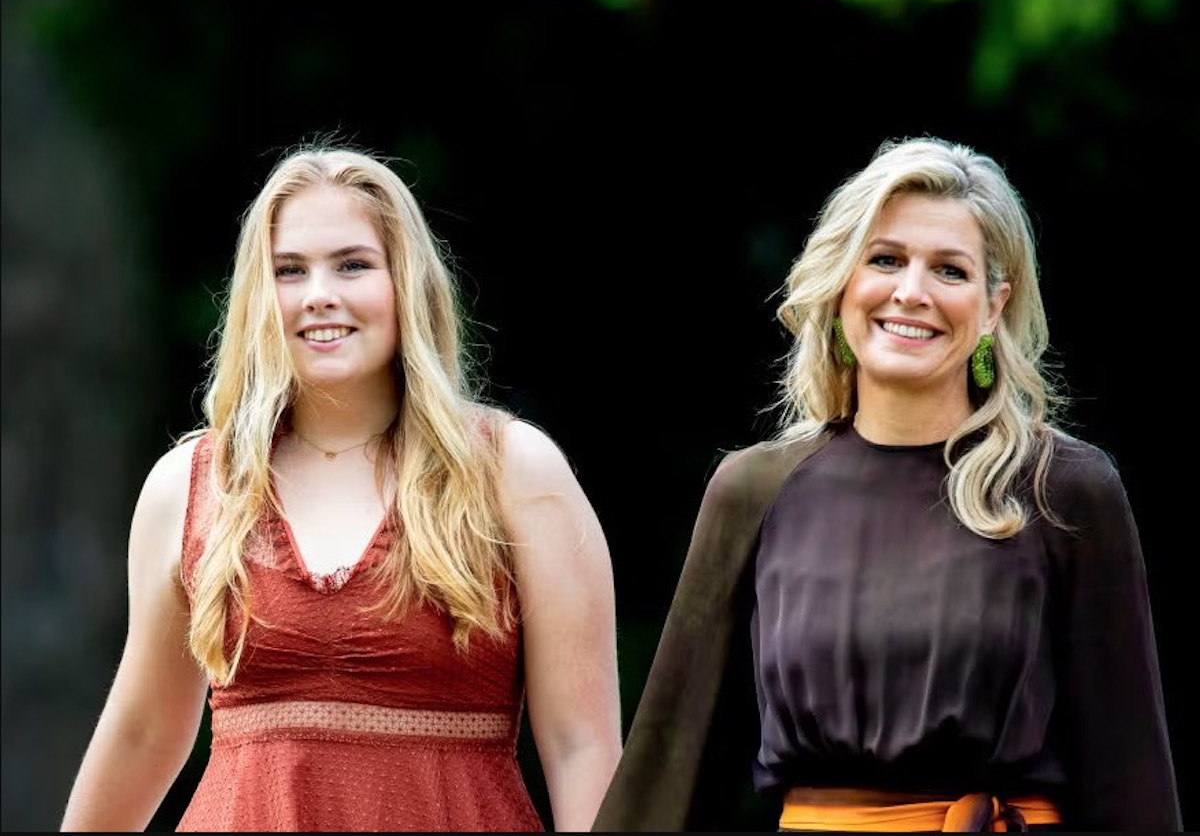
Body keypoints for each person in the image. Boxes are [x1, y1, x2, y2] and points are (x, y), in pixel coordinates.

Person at [593, 136, 1180, 832]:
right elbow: (669, 767)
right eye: (886, 259)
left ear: (994, 306)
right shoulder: (752, 490)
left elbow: (1130, 777)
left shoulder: (1066, 490)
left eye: (949, 271)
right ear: (843, 282)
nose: (912, 292)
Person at [60, 141, 622, 832]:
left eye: (353, 264)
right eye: (289, 270)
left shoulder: (516, 472)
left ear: (406, 283)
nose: (319, 293)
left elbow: (581, 746)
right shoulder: (190, 484)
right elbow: (144, 732)